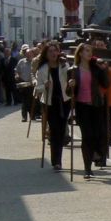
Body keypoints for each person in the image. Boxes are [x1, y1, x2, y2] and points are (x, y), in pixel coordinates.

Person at [72, 43, 109, 179]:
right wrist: (71, 85)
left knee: (97, 135)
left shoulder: (96, 69)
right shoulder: (74, 70)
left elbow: (106, 84)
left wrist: (104, 70)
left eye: (90, 50)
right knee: (87, 137)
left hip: (96, 105)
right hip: (82, 107)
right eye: (86, 50)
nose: (89, 53)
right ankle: (87, 168)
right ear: (80, 53)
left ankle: (97, 154)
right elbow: (69, 92)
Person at [34, 42, 73, 171]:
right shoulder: (43, 69)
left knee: (61, 131)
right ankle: (56, 161)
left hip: (64, 101)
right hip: (50, 103)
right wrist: (44, 85)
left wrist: (72, 81)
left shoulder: (64, 65)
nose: (53, 53)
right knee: (54, 130)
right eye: (50, 51)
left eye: (54, 51)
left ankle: (58, 159)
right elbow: (37, 88)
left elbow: (71, 79)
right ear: (46, 54)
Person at [15, 46, 34, 122]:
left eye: (30, 54)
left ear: (32, 55)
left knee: (31, 101)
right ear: (25, 55)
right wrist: (16, 75)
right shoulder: (21, 62)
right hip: (23, 83)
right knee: (24, 101)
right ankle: (24, 117)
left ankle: (32, 116)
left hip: (32, 84)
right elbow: (17, 71)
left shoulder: (34, 62)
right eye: (27, 54)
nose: (29, 56)